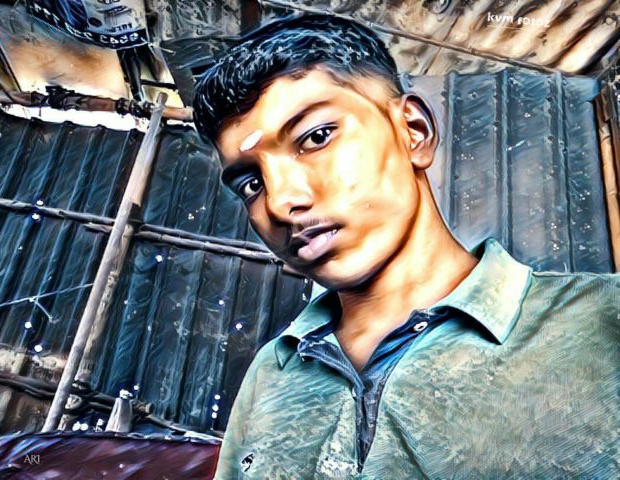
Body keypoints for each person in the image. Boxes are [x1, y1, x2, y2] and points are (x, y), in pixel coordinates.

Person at [192, 14, 620, 479]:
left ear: (413, 130)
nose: (280, 202)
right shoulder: (271, 372)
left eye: (316, 137)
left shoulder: (602, 322)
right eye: (251, 183)